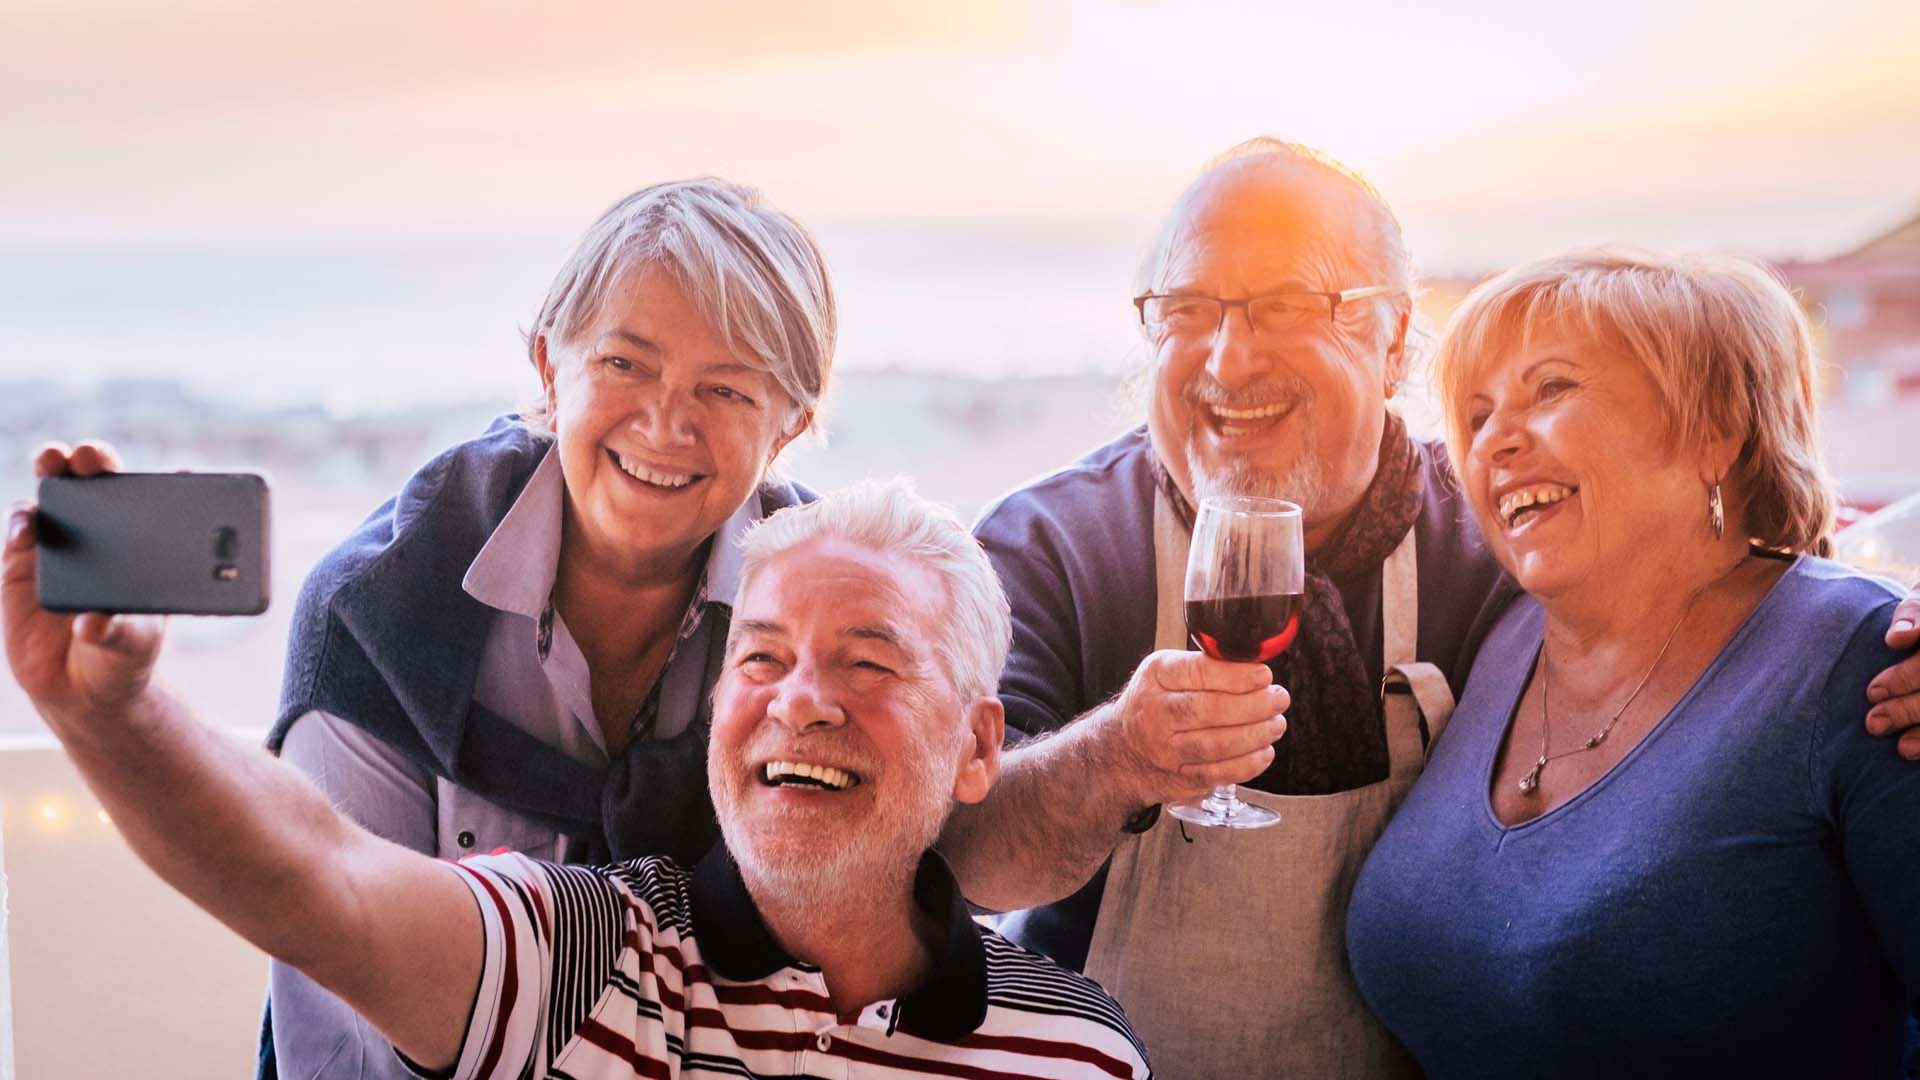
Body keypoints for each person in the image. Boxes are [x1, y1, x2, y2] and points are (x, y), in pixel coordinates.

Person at [936, 139, 1920, 1079]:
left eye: (1285, 305)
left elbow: (1729, 593)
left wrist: (1878, 623)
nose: (1229, 360)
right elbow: (964, 864)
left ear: (1393, 332)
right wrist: (1117, 760)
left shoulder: (1507, 553)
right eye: (1188, 308)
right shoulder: (1053, 546)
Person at [2, 478, 1153, 1080]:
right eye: (760, 656)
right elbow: (323, 882)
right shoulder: (580, 958)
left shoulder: (1082, 1053)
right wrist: (111, 713)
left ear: (979, 748)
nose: (800, 697)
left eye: (868, 661)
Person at [251, 178, 836, 1076]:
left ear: (788, 428)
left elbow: (846, 963)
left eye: (724, 390)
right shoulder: (377, 608)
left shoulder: (824, 622)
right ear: (548, 367)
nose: (664, 423)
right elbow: (349, 1005)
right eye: (623, 364)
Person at [1345, 249, 1920, 1077]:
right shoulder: (1500, 641)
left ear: (1713, 431)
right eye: (1475, 415)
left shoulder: (1863, 663)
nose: (1494, 442)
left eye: (1552, 390)